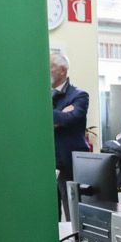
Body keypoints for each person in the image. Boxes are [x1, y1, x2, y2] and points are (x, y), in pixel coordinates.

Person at [51, 51, 89, 219]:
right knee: (50, 215)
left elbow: (70, 119)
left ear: (63, 70)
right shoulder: (41, 95)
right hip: (47, 164)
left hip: (68, 165)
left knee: (72, 214)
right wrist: (60, 114)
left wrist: (55, 118)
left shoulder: (79, 95)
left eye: (50, 67)